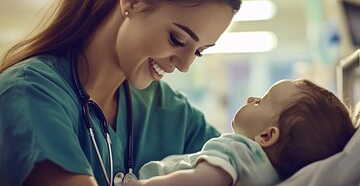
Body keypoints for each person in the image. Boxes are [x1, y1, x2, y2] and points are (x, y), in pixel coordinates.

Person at [0, 0, 242, 185]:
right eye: (177, 39)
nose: (184, 65)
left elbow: (248, 163)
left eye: (198, 52)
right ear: (133, 0)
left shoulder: (166, 109)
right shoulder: (28, 92)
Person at [122, 79, 357, 186]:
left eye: (261, 101)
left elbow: (202, 180)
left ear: (267, 136)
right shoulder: (273, 175)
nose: (250, 98)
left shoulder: (237, 149)